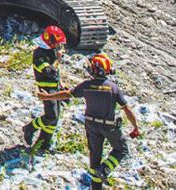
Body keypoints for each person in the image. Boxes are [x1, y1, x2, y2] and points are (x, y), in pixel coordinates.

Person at [39, 53, 140, 188]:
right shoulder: (113, 88)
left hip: (91, 125)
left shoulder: (86, 86)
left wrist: (47, 97)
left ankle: (96, 184)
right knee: (122, 149)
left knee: (95, 158)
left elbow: (67, 94)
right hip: (108, 126)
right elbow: (127, 109)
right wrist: (135, 126)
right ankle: (104, 170)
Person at [22, 25, 67, 154]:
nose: (58, 46)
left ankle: (43, 143)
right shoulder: (39, 54)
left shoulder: (52, 50)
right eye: (57, 43)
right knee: (51, 115)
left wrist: (61, 83)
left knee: (55, 118)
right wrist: (58, 60)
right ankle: (30, 128)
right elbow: (48, 71)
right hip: (46, 89)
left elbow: (56, 72)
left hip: (55, 87)